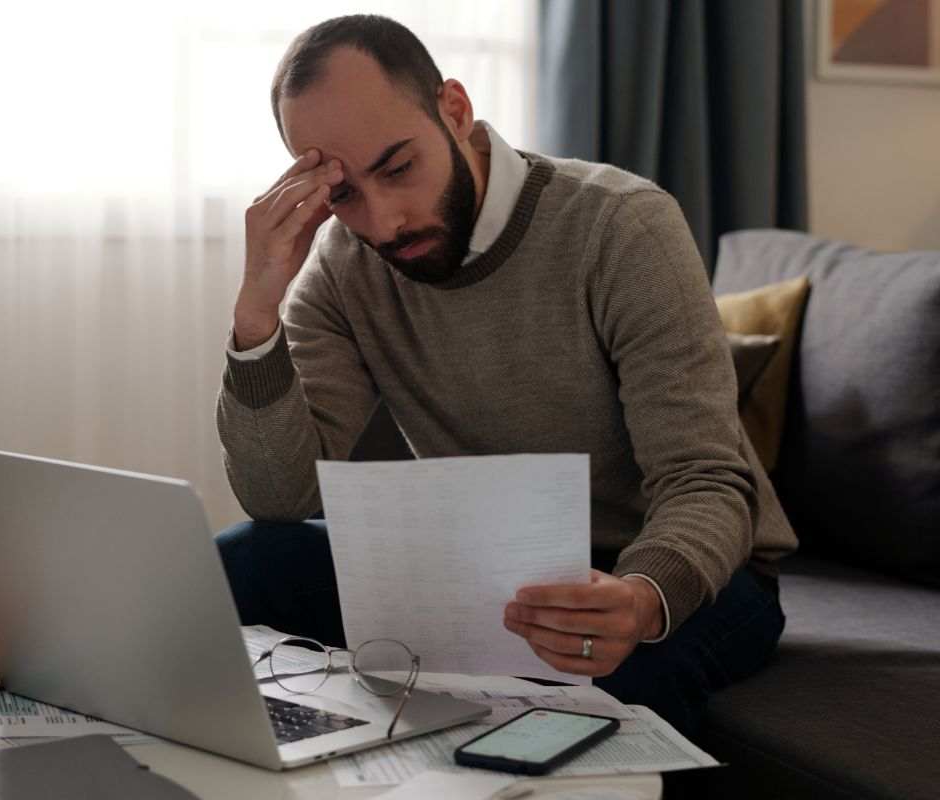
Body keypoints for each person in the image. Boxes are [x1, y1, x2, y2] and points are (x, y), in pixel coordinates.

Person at [214, 14, 797, 736]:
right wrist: (255, 316)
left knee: (611, 674)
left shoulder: (621, 228)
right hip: (491, 566)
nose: (385, 220)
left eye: (398, 168)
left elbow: (706, 481)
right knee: (243, 560)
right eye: (344, 194)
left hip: (683, 568)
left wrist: (640, 598)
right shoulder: (344, 267)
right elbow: (282, 496)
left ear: (454, 110)